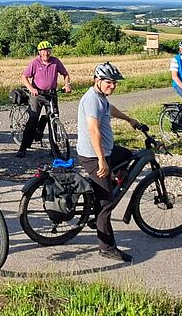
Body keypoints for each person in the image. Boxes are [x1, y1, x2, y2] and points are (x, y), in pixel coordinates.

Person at [76, 62, 143, 262]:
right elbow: (94, 131)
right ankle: (106, 247)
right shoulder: (91, 100)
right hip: (93, 156)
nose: (112, 86)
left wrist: (129, 119)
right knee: (106, 204)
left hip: (107, 151)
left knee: (128, 155)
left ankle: (110, 185)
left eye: (114, 83)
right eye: (108, 82)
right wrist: (102, 161)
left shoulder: (101, 98)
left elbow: (110, 109)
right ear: (98, 80)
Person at [16, 40, 72, 158]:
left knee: (54, 119)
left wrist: (67, 84)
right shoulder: (35, 63)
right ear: (39, 52)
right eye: (43, 51)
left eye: (48, 50)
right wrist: (31, 88)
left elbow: (65, 74)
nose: (46, 53)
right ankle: (23, 148)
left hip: (51, 94)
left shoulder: (55, 62)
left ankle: (54, 148)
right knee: (32, 120)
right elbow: (24, 76)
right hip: (37, 95)